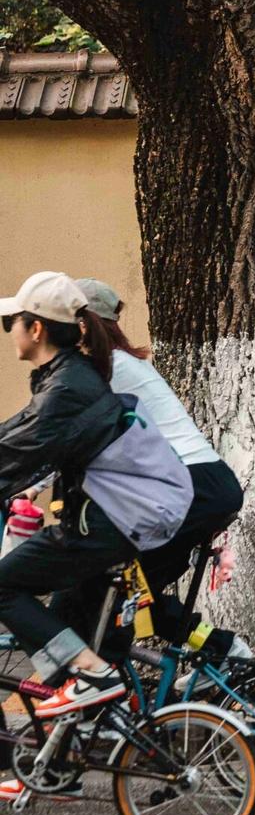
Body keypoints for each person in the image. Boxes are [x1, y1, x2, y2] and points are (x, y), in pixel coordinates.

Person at [0, 272, 144, 721]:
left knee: (3, 588)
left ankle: (93, 676)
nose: (10, 334)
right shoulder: (62, 379)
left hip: (97, 527)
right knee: (56, 625)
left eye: (13, 323)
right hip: (100, 523)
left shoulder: (67, 388)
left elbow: (15, 451)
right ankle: (61, 747)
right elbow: (16, 438)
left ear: (36, 328)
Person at [76, 279, 244, 635]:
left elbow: (65, 431)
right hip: (201, 483)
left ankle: (219, 651)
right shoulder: (119, 364)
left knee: (119, 588)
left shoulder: (107, 370)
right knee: (137, 593)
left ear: (83, 324)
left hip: (193, 485)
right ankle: (216, 654)